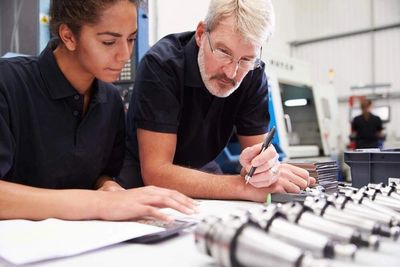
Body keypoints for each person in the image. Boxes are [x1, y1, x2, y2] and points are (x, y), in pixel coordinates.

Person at [0, 0, 197, 221]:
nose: (125, 54)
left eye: (131, 39)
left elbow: (100, 174)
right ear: (68, 36)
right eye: (109, 41)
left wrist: (108, 187)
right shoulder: (8, 84)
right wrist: (98, 203)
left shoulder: (110, 100)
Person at [120, 0, 315, 202]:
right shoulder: (161, 65)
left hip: (202, 168)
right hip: (142, 176)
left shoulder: (253, 74)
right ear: (201, 34)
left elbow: (258, 158)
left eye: (246, 59)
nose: (232, 73)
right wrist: (242, 187)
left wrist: (265, 170)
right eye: (223, 52)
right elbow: (157, 172)